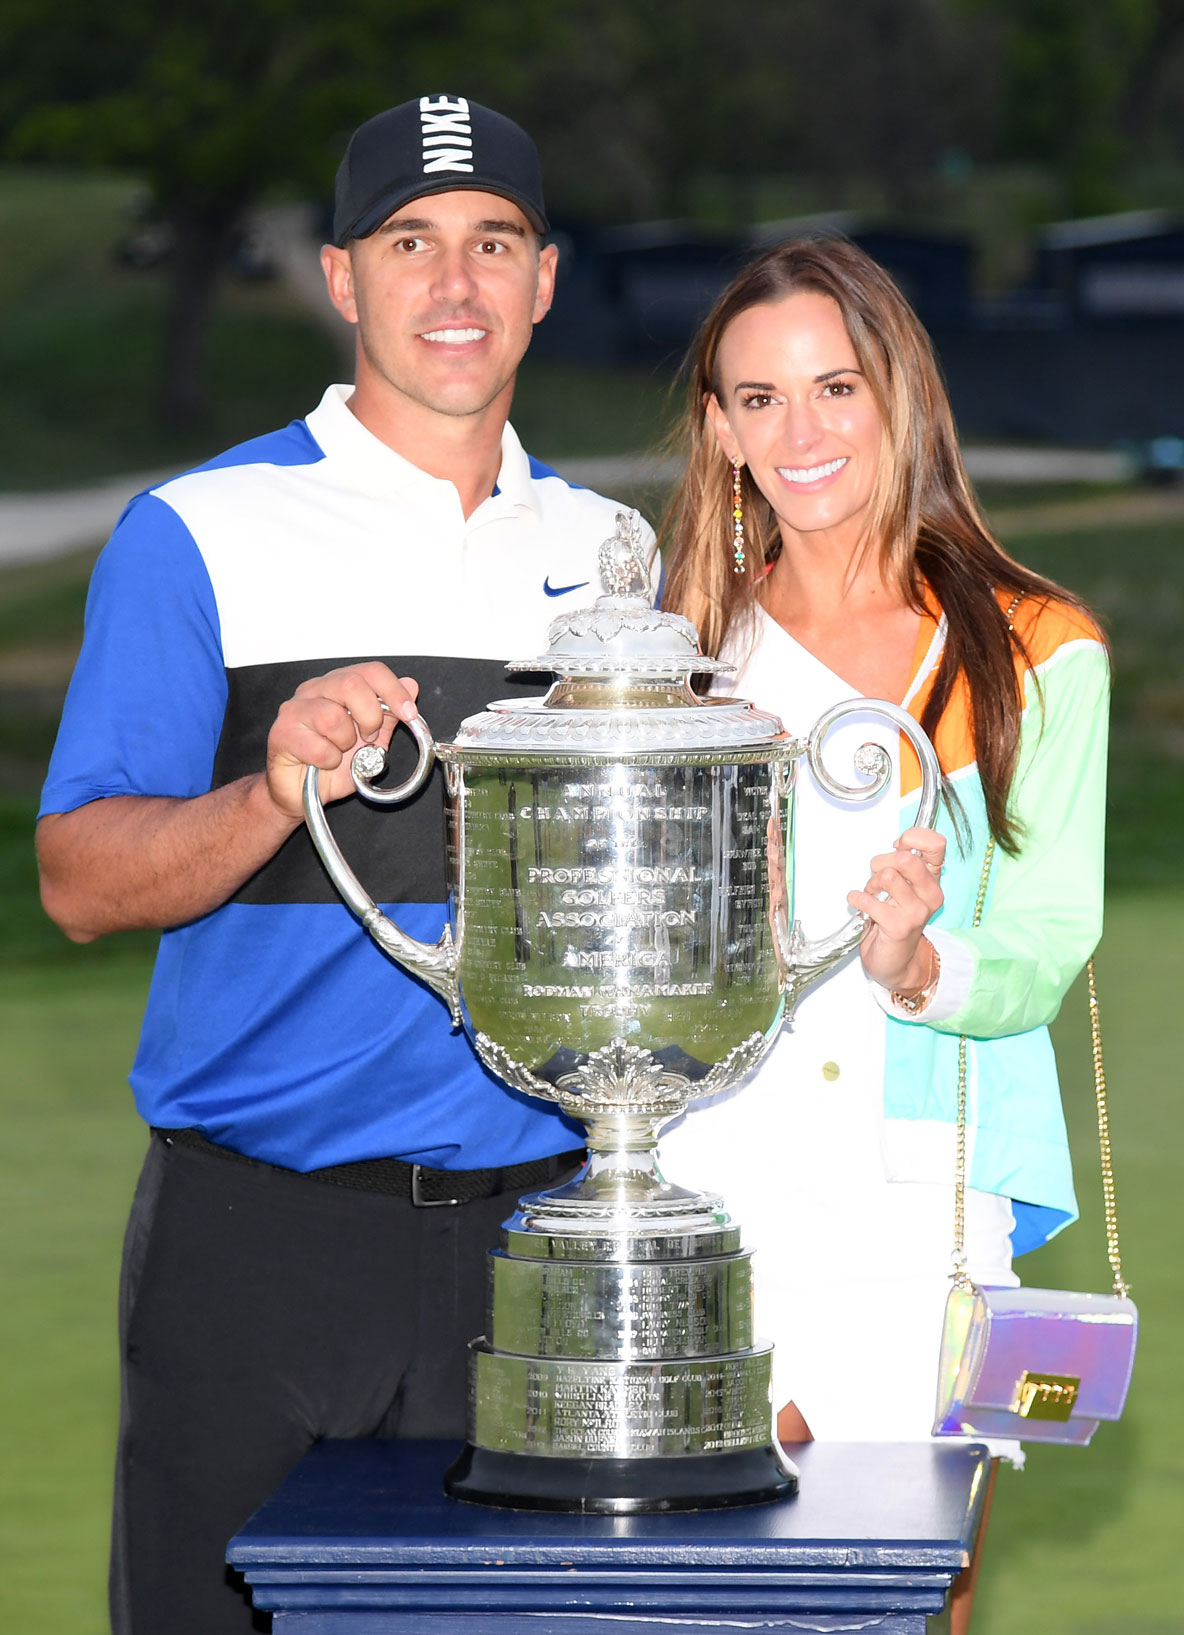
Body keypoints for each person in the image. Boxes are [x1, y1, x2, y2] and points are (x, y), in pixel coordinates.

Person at [36, 96, 653, 1635]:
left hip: (538, 1233)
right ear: (340, 276)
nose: (456, 285)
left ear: (548, 278)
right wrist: (273, 788)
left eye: (493, 243)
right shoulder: (198, 530)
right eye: (412, 243)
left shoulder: (620, 554)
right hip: (260, 1240)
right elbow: (80, 882)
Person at [657, 236, 1107, 1632]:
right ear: (719, 430)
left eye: (835, 388)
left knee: (906, 1600)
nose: (801, 433)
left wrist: (916, 964)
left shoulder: (1037, 648)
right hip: (706, 1187)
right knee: (716, 1604)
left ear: (900, 394)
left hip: (928, 1201)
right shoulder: (673, 658)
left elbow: (1044, 942)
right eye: (759, 398)